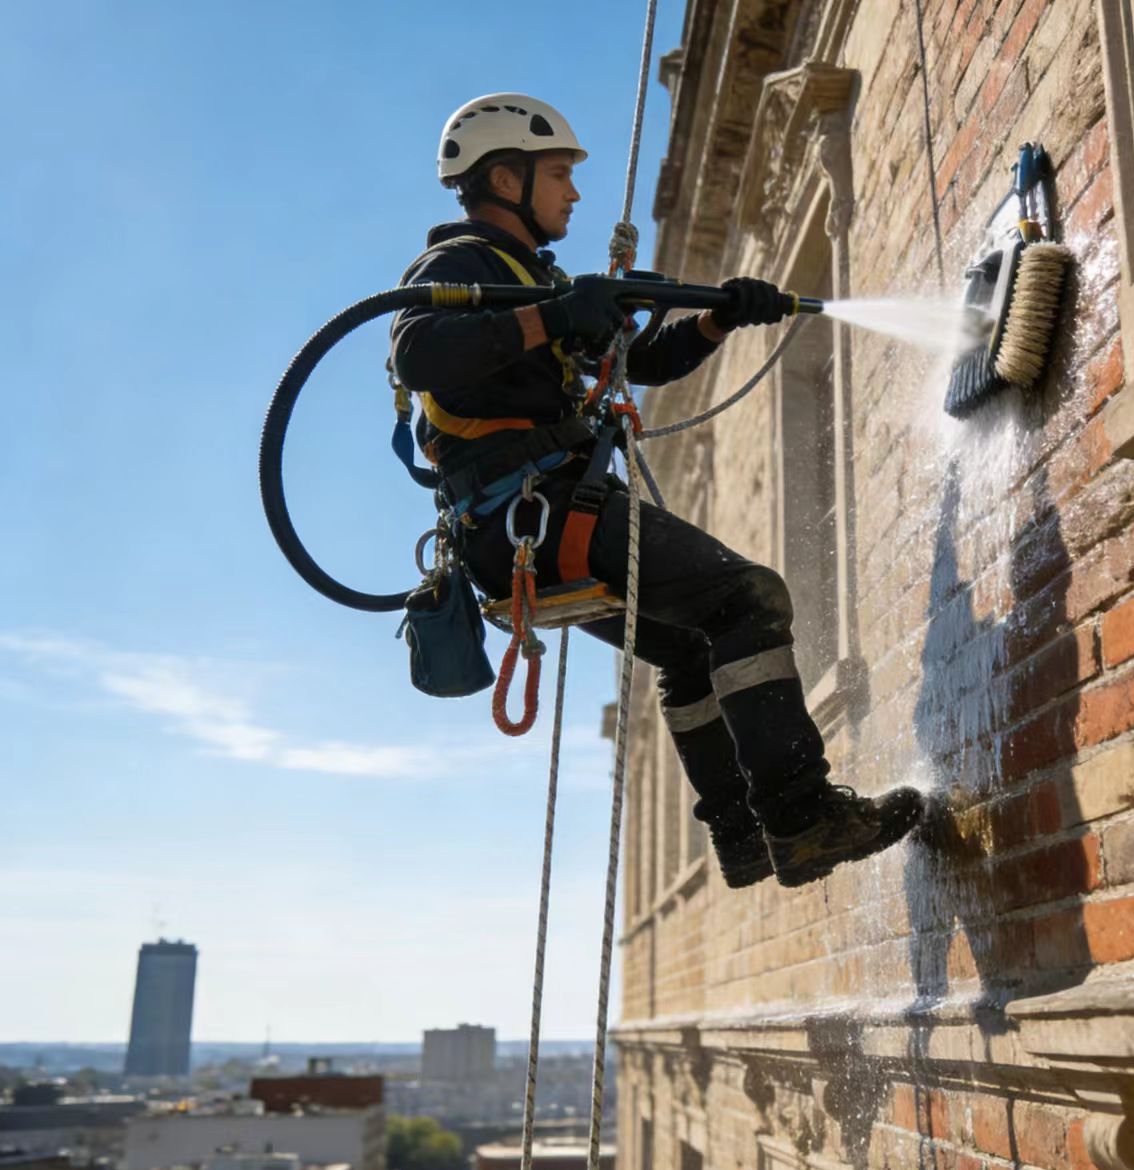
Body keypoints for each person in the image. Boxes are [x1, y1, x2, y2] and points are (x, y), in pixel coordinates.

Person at [390, 93, 942, 889]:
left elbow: (640, 367)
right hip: (531, 514)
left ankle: (746, 835)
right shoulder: (459, 266)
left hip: (530, 525)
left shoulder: (529, 277)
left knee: (688, 645)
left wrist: (721, 317)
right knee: (748, 600)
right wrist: (557, 314)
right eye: (557, 176)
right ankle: (802, 815)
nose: (574, 193)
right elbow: (421, 356)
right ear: (504, 178)